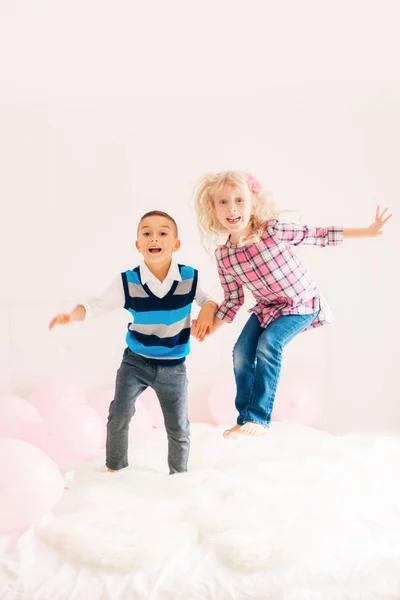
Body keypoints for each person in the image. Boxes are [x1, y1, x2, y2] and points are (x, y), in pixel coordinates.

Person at [192, 170, 392, 439]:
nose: (232, 209)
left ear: (252, 204)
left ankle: (260, 419)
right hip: (267, 309)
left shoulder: (273, 230)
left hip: (301, 304)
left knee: (268, 344)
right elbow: (232, 301)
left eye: (239, 200)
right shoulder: (225, 256)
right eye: (223, 202)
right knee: (241, 352)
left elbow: (318, 235)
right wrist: (207, 328)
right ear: (213, 210)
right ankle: (245, 419)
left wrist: (366, 232)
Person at [49, 210, 218, 472]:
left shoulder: (189, 277)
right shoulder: (128, 281)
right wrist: (72, 315)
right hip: (136, 363)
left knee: (178, 425)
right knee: (120, 414)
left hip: (173, 367)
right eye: (147, 233)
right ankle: (115, 467)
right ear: (138, 244)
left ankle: (179, 474)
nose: (154, 238)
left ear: (176, 244)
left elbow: (208, 300)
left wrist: (207, 310)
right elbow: (98, 305)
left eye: (163, 233)